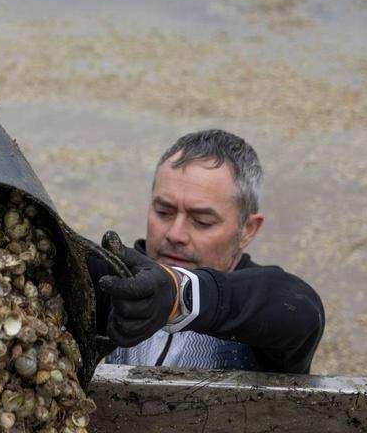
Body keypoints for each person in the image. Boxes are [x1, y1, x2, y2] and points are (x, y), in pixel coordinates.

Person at [91, 129, 324, 373]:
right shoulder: (113, 281)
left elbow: (302, 311)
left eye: (202, 221)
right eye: (164, 212)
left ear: (247, 229)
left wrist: (180, 295)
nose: (175, 234)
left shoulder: (264, 306)